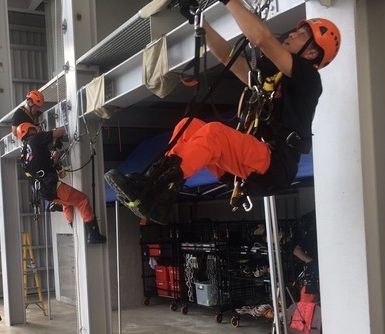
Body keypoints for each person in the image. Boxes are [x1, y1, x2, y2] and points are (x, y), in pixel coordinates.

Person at [104, 0, 341, 225]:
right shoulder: (272, 79)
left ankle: (153, 191)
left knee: (213, 134)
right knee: (189, 125)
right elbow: (227, 56)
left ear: (311, 54)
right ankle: (159, 192)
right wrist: (199, 20)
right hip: (249, 164)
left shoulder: (308, 79)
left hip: (274, 164)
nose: (292, 34)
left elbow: (262, 39)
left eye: (302, 35)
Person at [16, 122, 107, 244]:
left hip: (43, 190)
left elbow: (47, 164)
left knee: (67, 204)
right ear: (29, 130)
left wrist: (57, 150)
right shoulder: (36, 139)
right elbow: (60, 132)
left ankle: (74, 229)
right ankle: (93, 234)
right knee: (82, 200)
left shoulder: (24, 152)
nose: (37, 129)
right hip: (51, 186)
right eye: (34, 128)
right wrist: (60, 130)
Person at [293, 210, 319, 301]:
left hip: (332, 272)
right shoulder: (313, 235)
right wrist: (310, 261)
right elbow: (297, 251)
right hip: (315, 275)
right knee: (310, 305)